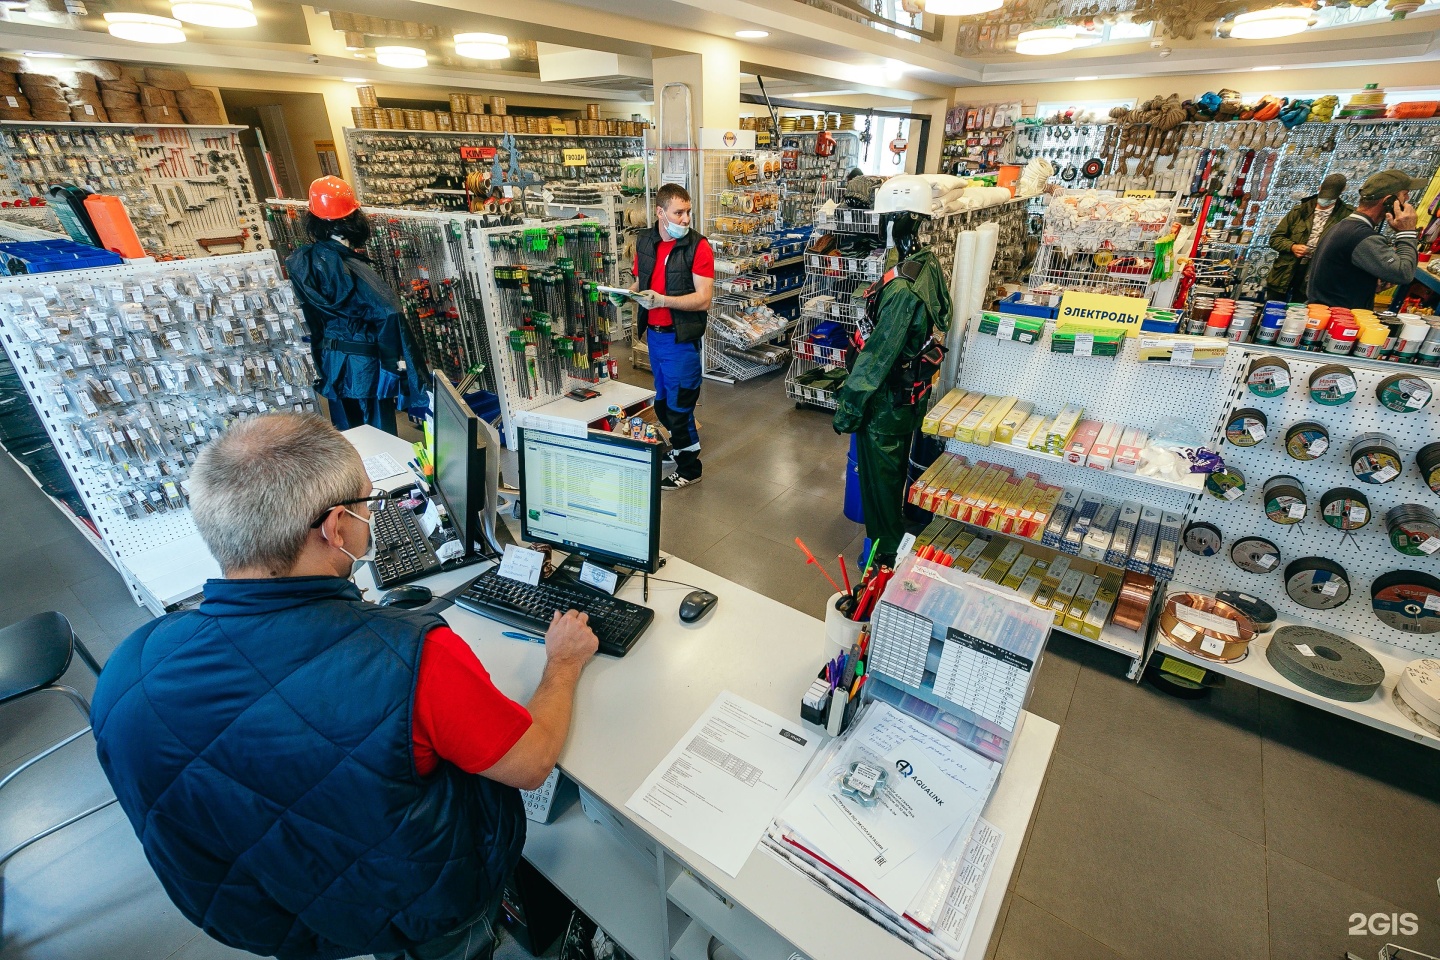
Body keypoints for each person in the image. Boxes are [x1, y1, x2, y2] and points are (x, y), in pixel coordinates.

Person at [90, 413, 599, 960]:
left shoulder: (128, 670)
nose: (372, 518)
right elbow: (529, 764)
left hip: (277, 918)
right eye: (368, 504)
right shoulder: (415, 660)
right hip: (419, 903)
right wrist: (563, 665)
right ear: (336, 528)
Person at [833, 176, 952, 568]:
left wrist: (849, 407)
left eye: (885, 218)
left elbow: (876, 359)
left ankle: (883, 565)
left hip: (884, 408)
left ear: (899, 219)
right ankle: (888, 550)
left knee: (881, 492)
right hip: (904, 398)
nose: (879, 225)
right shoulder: (924, 265)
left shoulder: (903, 289)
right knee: (892, 477)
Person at [287, 176, 426, 435]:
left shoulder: (303, 262)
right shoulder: (353, 268)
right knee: (379, 437)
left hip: (332, 361)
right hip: (364, 367)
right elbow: (390, 312)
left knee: (349, 435)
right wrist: (395, 365)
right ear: (352, 220)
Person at [630, 183, 715, 490]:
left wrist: (663, 301)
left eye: (688, 212)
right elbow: (641, 283)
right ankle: (680, 449)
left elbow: (703, 299)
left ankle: (691, 468)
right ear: (660, 212)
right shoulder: (646, 241)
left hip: (681, 341)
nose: (686, 219)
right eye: (679, 212)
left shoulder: (698, 247)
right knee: (664, 406)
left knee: (679, 409)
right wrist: (627, 295)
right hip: (655, 337)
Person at [1307, 168, 1425, 310]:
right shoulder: (1362, 237)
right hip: (1338, 322)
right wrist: (1407, 232)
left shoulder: (1345, 226)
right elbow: (1404, 274)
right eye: (1405, 195)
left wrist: (1366, 283)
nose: (1407, 200)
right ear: (1389, 200)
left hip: (1330, 315)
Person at [1265, 173, 1353, 303]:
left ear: (1342, 191)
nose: (1325, 201)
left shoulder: (1347, 216)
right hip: (1285, 271)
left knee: (1300, 313)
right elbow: (1275, 238)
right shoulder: (1300, 211)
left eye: (1330, 198)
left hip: (1316, 274)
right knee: (1272, 309)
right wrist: (1292, 247)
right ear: (1319, 188)